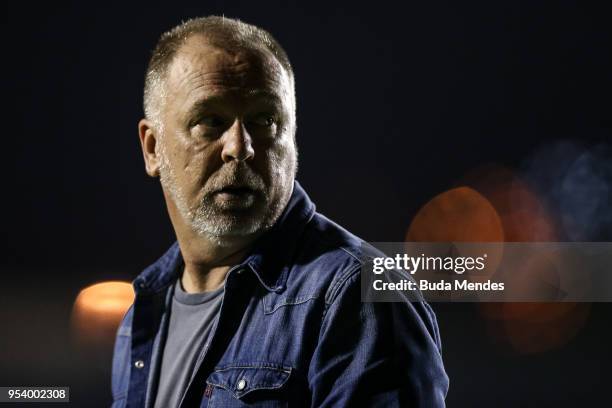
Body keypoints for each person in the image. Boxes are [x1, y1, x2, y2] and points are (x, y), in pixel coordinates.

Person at [110, 16, 448, 408]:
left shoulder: (356, 297)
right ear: (153, 149)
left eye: (265, 120)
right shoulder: (140, 320)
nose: (240, 146)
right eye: (210, 122)